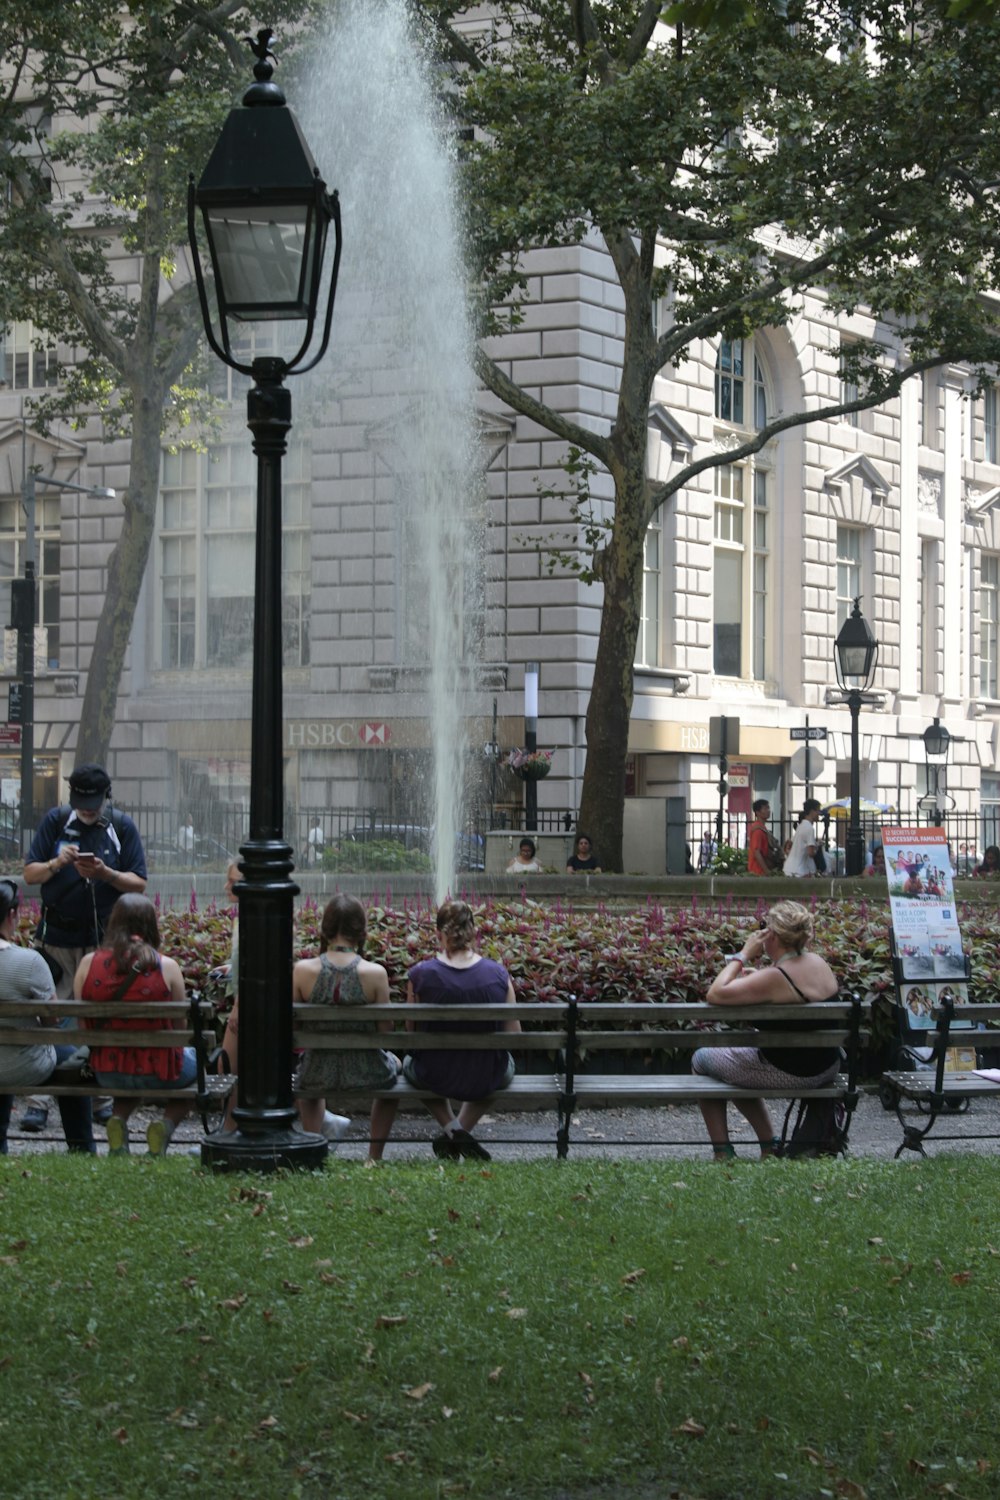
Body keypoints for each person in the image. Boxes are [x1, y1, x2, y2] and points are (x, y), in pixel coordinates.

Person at [20, 763, 147, 1134]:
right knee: (51, 1017)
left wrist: (106, 874)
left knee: (98, 1017)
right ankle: (39, 1101)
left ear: (106, 798)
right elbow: (29, 874)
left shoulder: (121, 827)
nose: (87, 809)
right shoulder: (56, 821)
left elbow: (138, 883)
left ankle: (100, 1098)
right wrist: (57, 863)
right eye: (81, 802)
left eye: (93, 802)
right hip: (56, 940)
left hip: (103, 940)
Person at [691, 900, 842, 1160]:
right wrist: (761, 974)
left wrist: (743, 954)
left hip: (791, 1073)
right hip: (827, 1066)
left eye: (764, 928)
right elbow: (787, 981)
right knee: (736, 1064)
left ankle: (725, 1151)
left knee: (702, 1060)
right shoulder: (818, 962)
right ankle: (768, 1145)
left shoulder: (775, 978)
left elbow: (715, 993)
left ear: (772, 935)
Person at [75, 893, 194, 1155]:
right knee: (200, 1071)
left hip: (108, 1070)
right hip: (161, 1071)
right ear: (151, 925)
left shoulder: (87, 964)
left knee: (128, 1062)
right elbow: (180, 1029)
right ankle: (164, 1126)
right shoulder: (168, 967)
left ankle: (118, 1122)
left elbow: (84, 1025)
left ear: (114, 922)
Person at [404, 900, 520, 1161]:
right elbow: (514, 1034)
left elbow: (411, 1033)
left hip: (433, 1073)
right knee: (503, 1066)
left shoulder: (420, 975)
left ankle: (454, 1130)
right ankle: (459, 1133)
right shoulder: (499, 974)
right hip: (487, 1074)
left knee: (408, 1066)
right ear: (474, 933)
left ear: (438, 934)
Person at [292, 894, 399, 1162]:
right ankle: (374, 1157)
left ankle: (314, 1152)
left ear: (325, 929)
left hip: (316, 1072)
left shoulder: (303, 970)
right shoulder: (375, 973)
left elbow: (294, 1025)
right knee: (395, 1072)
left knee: (310, 1087)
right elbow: (386, 1030)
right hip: (367, 1072)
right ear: (361, 931)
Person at [0, 878, 96, 1154]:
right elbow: (52, 1022)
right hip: (27, 1067)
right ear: (12, 914)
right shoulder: (30, 961)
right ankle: (82, 1147)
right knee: (70, 1059)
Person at [782, 799, 822, 877]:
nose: (819, 814)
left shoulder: (801, 826)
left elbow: (789, 844)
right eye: (818, 811)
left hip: (789, 867)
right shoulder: (809, 828)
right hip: (798, 871)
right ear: (811, 811)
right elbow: (811, 853)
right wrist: (817, 849)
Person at [747, 799, 777, 876]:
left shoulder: (761, 828)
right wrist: (766, 870)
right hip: (758, 871)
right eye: (765, 808)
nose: (768, 811)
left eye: (768, 808)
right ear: (757, 812)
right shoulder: (758, 830)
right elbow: (756, 852)